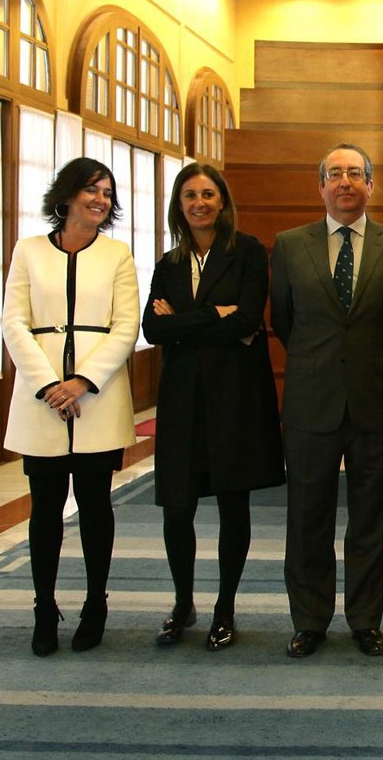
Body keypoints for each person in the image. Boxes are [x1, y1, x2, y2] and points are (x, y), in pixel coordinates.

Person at [271, 144, 383, 659]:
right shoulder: (290, 245)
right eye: (334, 174)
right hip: (311, 404)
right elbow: (284, 322)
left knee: (372, 519)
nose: (345, 182)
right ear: (321, 187)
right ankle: (310, 620)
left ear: (371, 185)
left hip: (375, 402)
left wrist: (364, 363)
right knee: (307, 517)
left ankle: (365, 619)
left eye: (355, 174)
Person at [142, 163, 285, 651]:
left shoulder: (245, 252)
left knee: (232, 503)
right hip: (181, 399)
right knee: (176, 509)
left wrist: (183, 320)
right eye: (189, 196)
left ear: (222, 201)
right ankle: (183, 605)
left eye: (207, 194)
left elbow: (247, 318)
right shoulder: (168, 262)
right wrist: (212, 317)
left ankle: (225, 608)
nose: (199, 203)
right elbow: (152, 330)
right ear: (178, 206)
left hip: (235, 398)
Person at [1, 158, 139, 656]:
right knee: (45, 509)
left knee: (97, 506)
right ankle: (44, 607)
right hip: (42, 401)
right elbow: (14, 322)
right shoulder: (30, 250)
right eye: (90, 189)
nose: (100, 199)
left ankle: (95, 604)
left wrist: (82, 381)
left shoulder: (117, 255)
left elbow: (126, 326)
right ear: (66, 196)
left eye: (106, 191)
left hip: (96, 399)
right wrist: (47, 385)